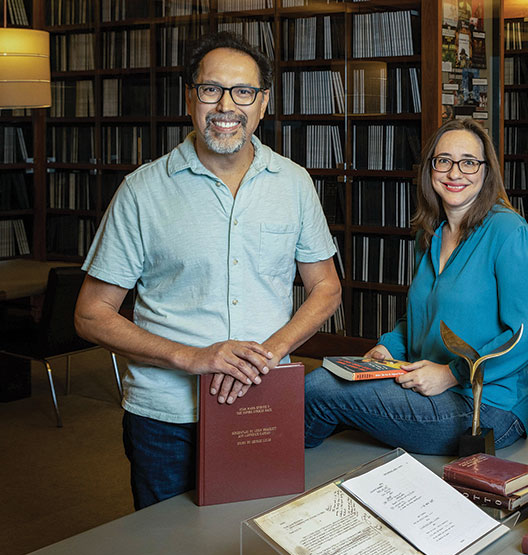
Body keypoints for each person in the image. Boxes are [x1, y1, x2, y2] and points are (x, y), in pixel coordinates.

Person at [74, 31, 341, 510]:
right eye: (211, 89)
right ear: (190, 98)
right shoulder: (142, 191)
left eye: (243, 92)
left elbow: (325, 288)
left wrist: (271, 352)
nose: (226, 105)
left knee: (255, 544)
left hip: (262, 404)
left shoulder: (295, 184)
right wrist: (192, 358)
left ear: (262, 104)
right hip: (166, 415)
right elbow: (92, 314)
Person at [304, 119, 528, 455]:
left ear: (486, 171)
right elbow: (419, 317)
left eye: (468, 162)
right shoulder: (429, 235)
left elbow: (527, 333)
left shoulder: (508, 232)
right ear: (430, 169)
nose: (454, 173)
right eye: (443, 160)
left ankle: (274, 472)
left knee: (319, 388)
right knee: (331, 384)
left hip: (487, 406)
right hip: (424, 385)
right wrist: (388, 349)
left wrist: (452, 373)